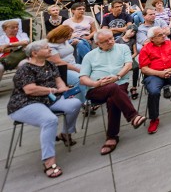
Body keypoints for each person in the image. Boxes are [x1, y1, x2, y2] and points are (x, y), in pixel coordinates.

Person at [7, 40, 83, 178]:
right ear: (35, 53)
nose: (50, 50)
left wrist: (63, 89)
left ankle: (65, 133)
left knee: (75, 104)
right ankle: (49, 161)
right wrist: (51, 90)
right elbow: (30, 90)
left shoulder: (50, 64)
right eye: (46, 48)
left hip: (49, 100)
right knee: (50, 120)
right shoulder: (25, 68)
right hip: (26, 103)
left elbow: (59, 82)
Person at [81, 30, 146, 154]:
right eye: (106, 41)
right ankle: (133, 116)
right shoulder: (90, 56)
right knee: (113, 89)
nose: (111, 41)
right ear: (97, 43)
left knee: (113, 98)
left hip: (119, 82)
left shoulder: (122, 48)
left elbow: (128, 65)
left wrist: (117, 77)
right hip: (96, 89)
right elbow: (83, 78)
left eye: (111, 38)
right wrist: (97, 83)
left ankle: (112, 137)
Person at [139, 27, 171, 134]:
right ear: (152, 38)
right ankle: (154, 119)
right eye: (160, 35)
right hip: (154, 75)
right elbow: (144, 68)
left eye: (163, 34)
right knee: (153, 92)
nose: (164, 36)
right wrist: (160, 73)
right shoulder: (145, 49)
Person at [46, 26, 82, 99]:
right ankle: (79, 102)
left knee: (92, 72)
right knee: (80, 80)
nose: (68, 38)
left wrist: (73, 42)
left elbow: (65, 48)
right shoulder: (50, 46)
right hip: (61, 70)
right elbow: (58, 62)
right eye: (66, 36)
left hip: (73, 65)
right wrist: (76, 69)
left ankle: (89, 98)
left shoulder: (64, 41)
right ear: (60, 35)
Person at [115, 25, 140, 100]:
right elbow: (115, 52)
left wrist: (129, 58)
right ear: (126, 30)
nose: (132, 33)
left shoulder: (132, 41)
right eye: (131, 31)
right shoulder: (118, 40)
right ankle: (123, 87)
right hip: (120, 59)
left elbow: (135, 53)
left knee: (136, 67)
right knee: (120, 70)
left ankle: (134, 87)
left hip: (130, 58)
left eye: (134, 32)